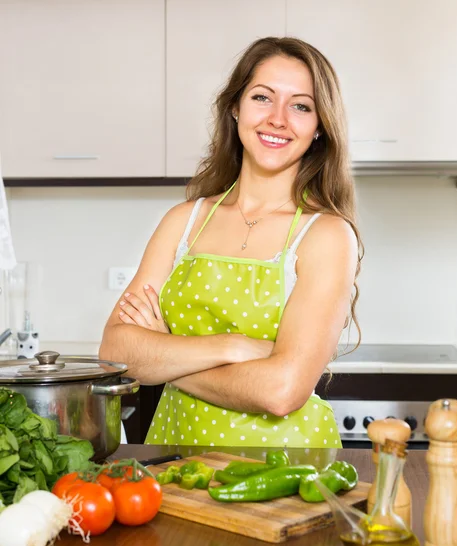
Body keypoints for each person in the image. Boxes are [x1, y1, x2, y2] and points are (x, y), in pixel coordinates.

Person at [99, 36, 363, 448]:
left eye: (300, 106)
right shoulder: (183, 223)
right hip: (175, 459)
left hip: (284, 471)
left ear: (317, 128)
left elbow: (282, 391)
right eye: (262, 97)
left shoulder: (327, 236)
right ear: (235, 107)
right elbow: (117, 349)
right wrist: (238, 347)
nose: (278, 118)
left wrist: (165, 356)